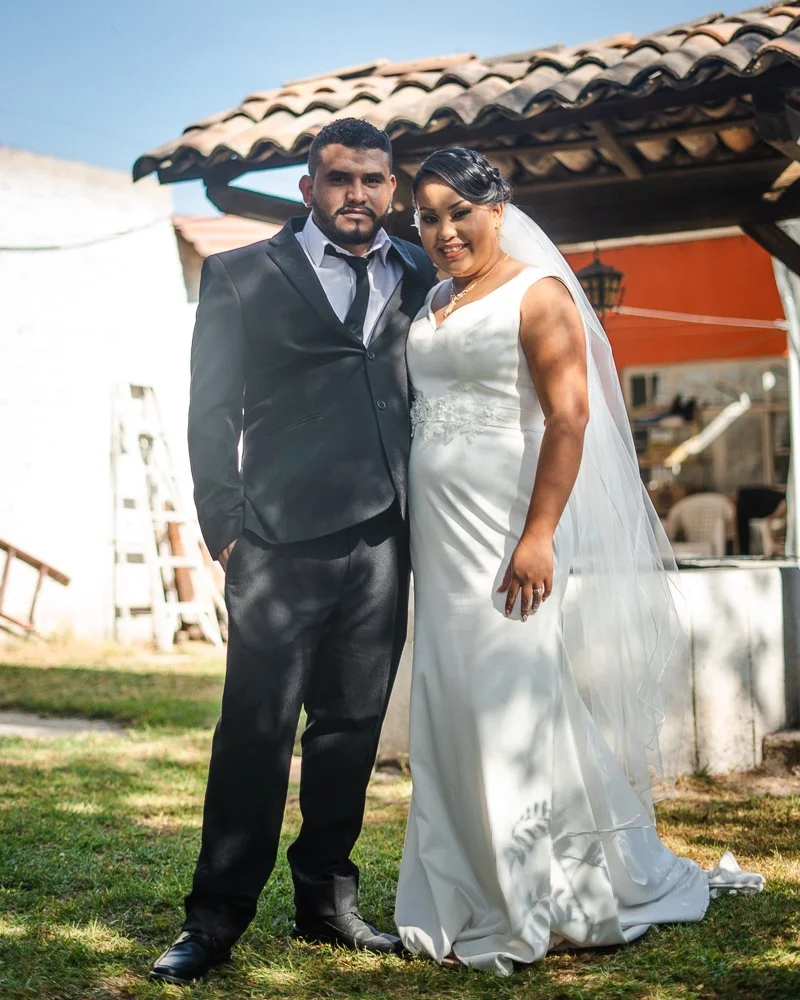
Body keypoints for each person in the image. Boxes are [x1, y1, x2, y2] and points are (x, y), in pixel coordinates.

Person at [394, 147, 764, 975]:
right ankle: (462, 889)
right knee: (451, 696)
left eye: (459, 211)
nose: (444, 230)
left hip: (503, 533)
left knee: (512, 698)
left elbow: (569, 419)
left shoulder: (541, 294)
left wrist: (538, 535)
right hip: (439, 539)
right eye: (427, 215)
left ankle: (533, 891)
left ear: (498, 209)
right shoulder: (435, 300)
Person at [150, 119, 436, 986]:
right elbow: (212, 413)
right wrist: (227, 527)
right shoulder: (242, 274)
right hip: (276, 542)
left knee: (350, 731)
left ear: (393, 187)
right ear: (309, 186)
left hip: (385, 537)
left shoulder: (418, 271)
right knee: (255, 733)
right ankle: (214, 917)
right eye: (341, 178)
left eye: (375, 179)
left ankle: (326, 902)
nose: (359, 195)